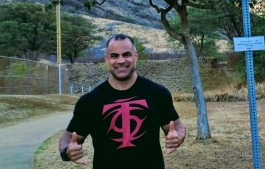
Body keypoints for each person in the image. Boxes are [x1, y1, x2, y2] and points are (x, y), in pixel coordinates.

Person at [59, 33, 186, 168]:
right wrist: (67, 151)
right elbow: (68, 139)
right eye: (114, 56)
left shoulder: (157, 93)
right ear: (106, 59)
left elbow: (177, 127)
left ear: (135, 56)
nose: (121, 61)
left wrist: (177, 137)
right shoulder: (89, 101)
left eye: (126, 54)